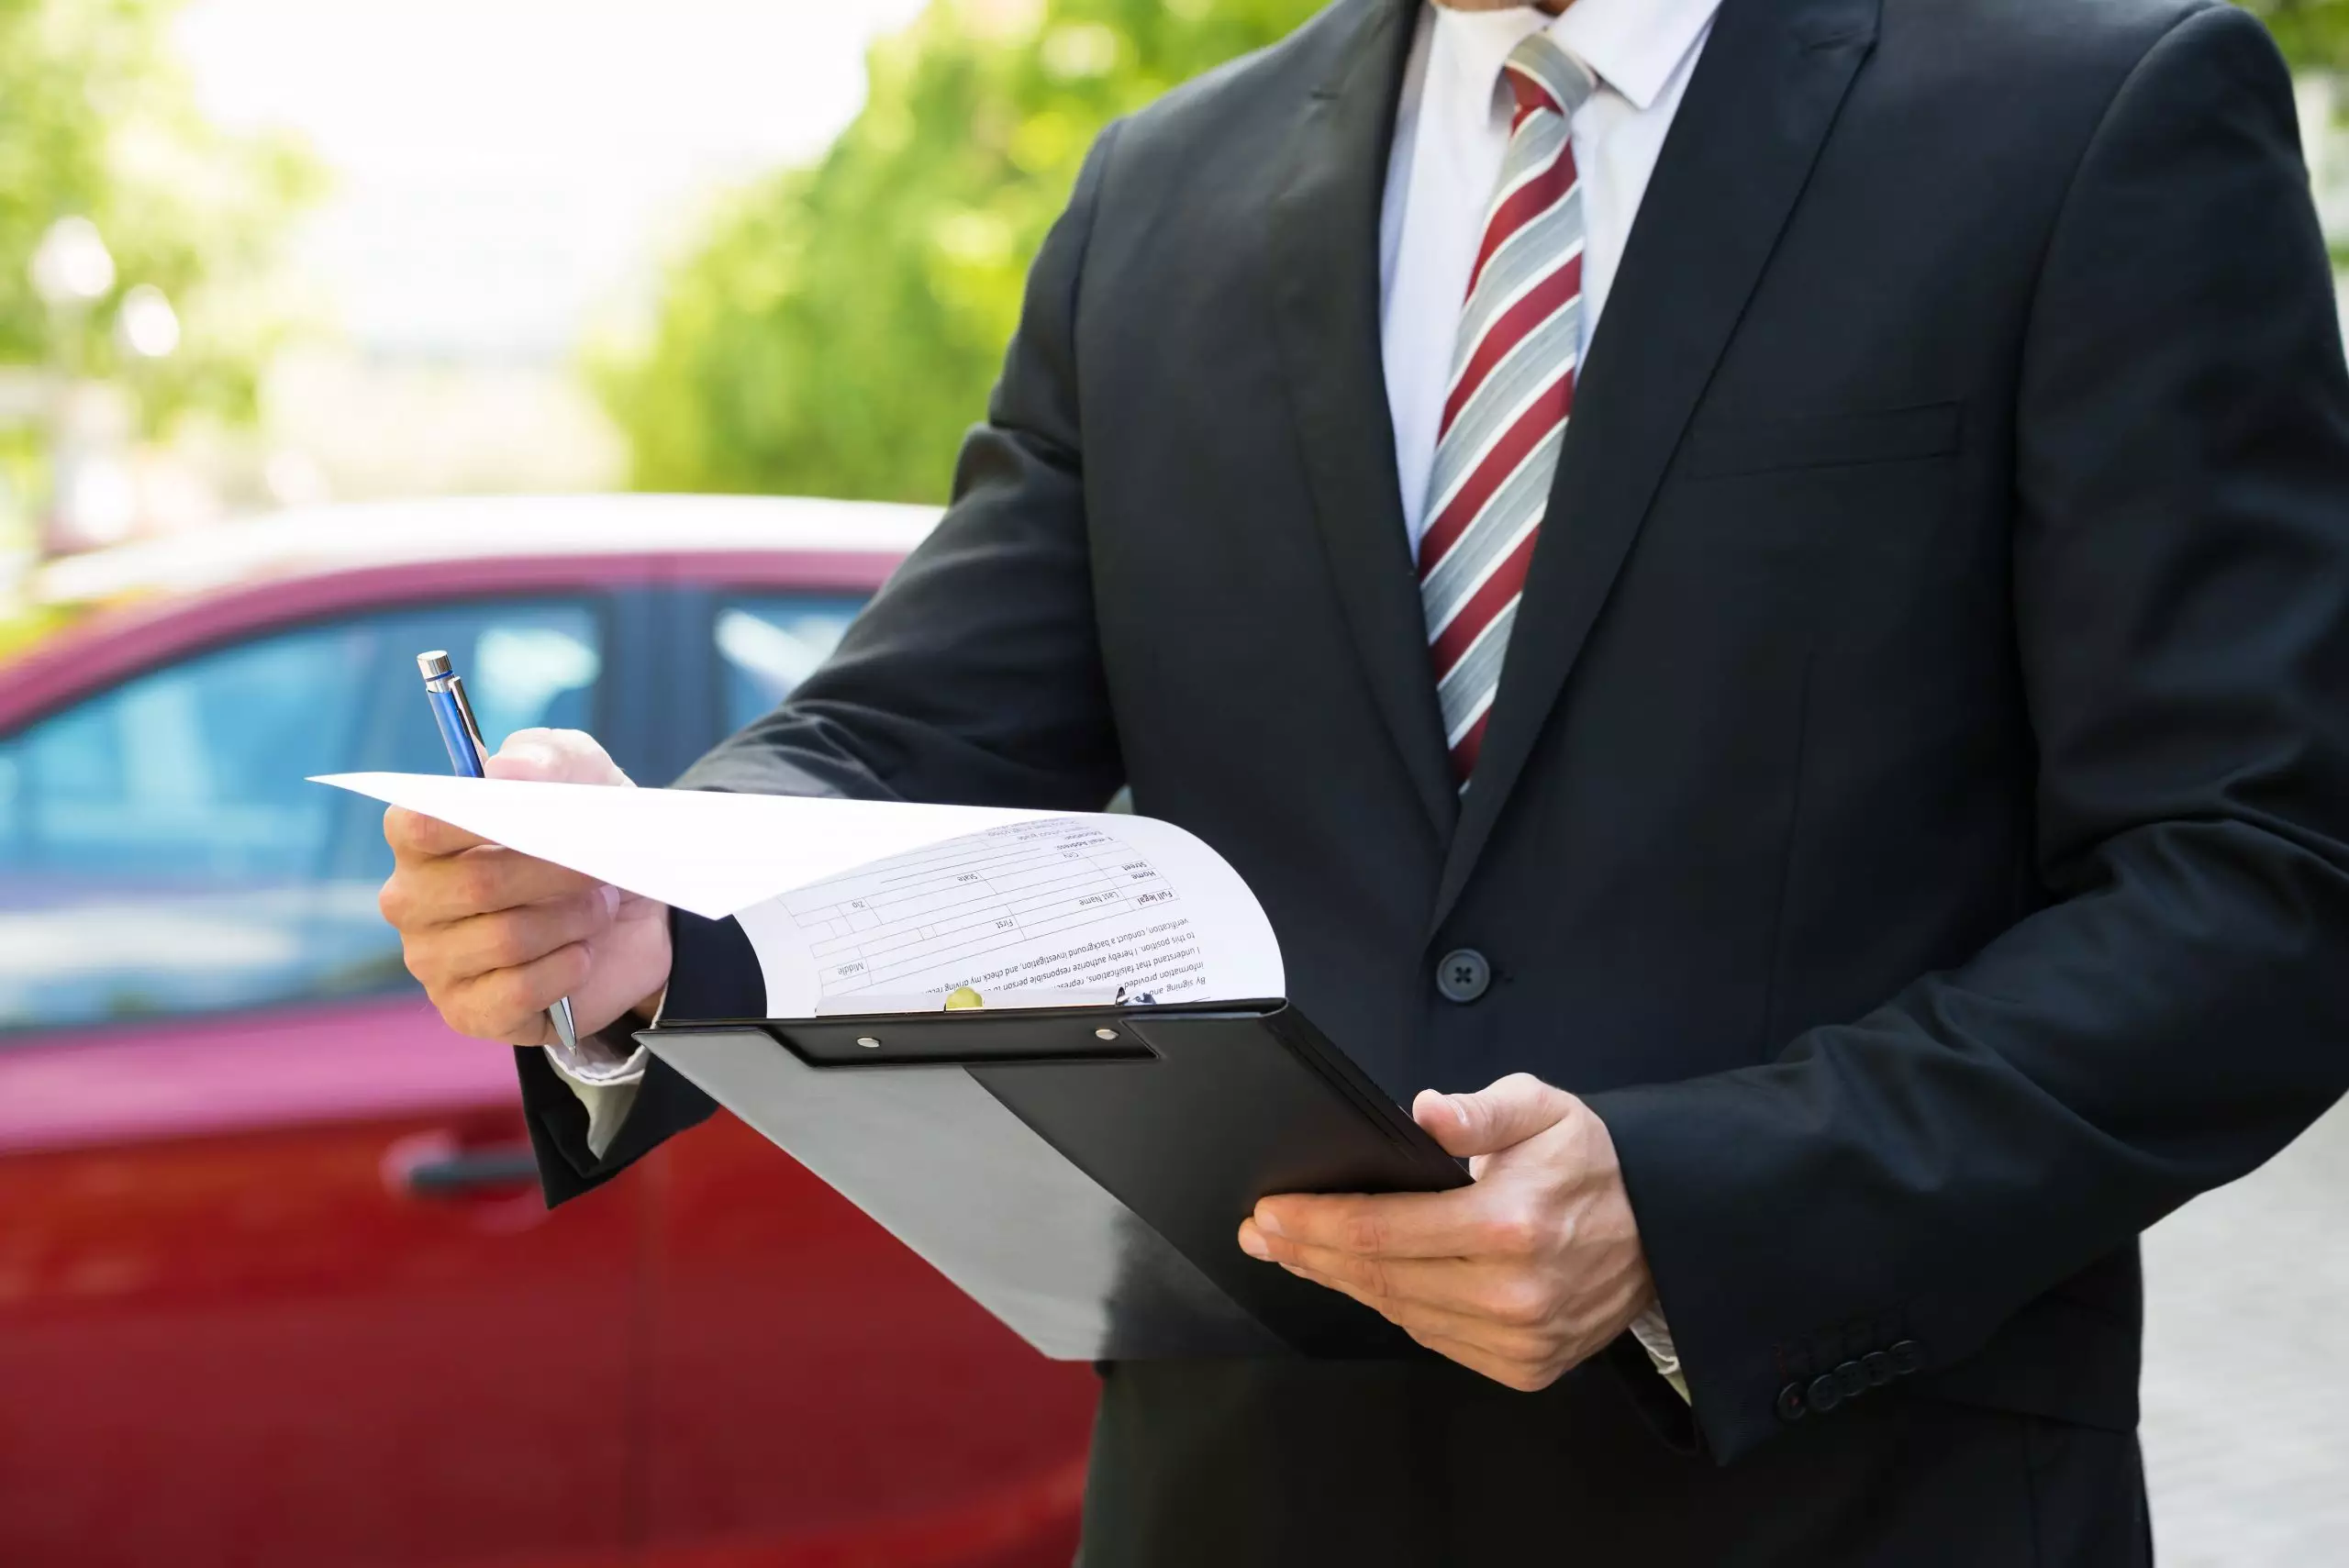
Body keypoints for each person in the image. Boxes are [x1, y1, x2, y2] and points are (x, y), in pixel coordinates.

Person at [377, 0, 2349, 1560]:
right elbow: (907, 734)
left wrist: (1697, 1205)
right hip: (1243, 1498)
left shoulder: (2097, 115)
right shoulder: (1155, 191)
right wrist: (646, 896)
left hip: (1844, 1497)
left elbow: (2265, 876)